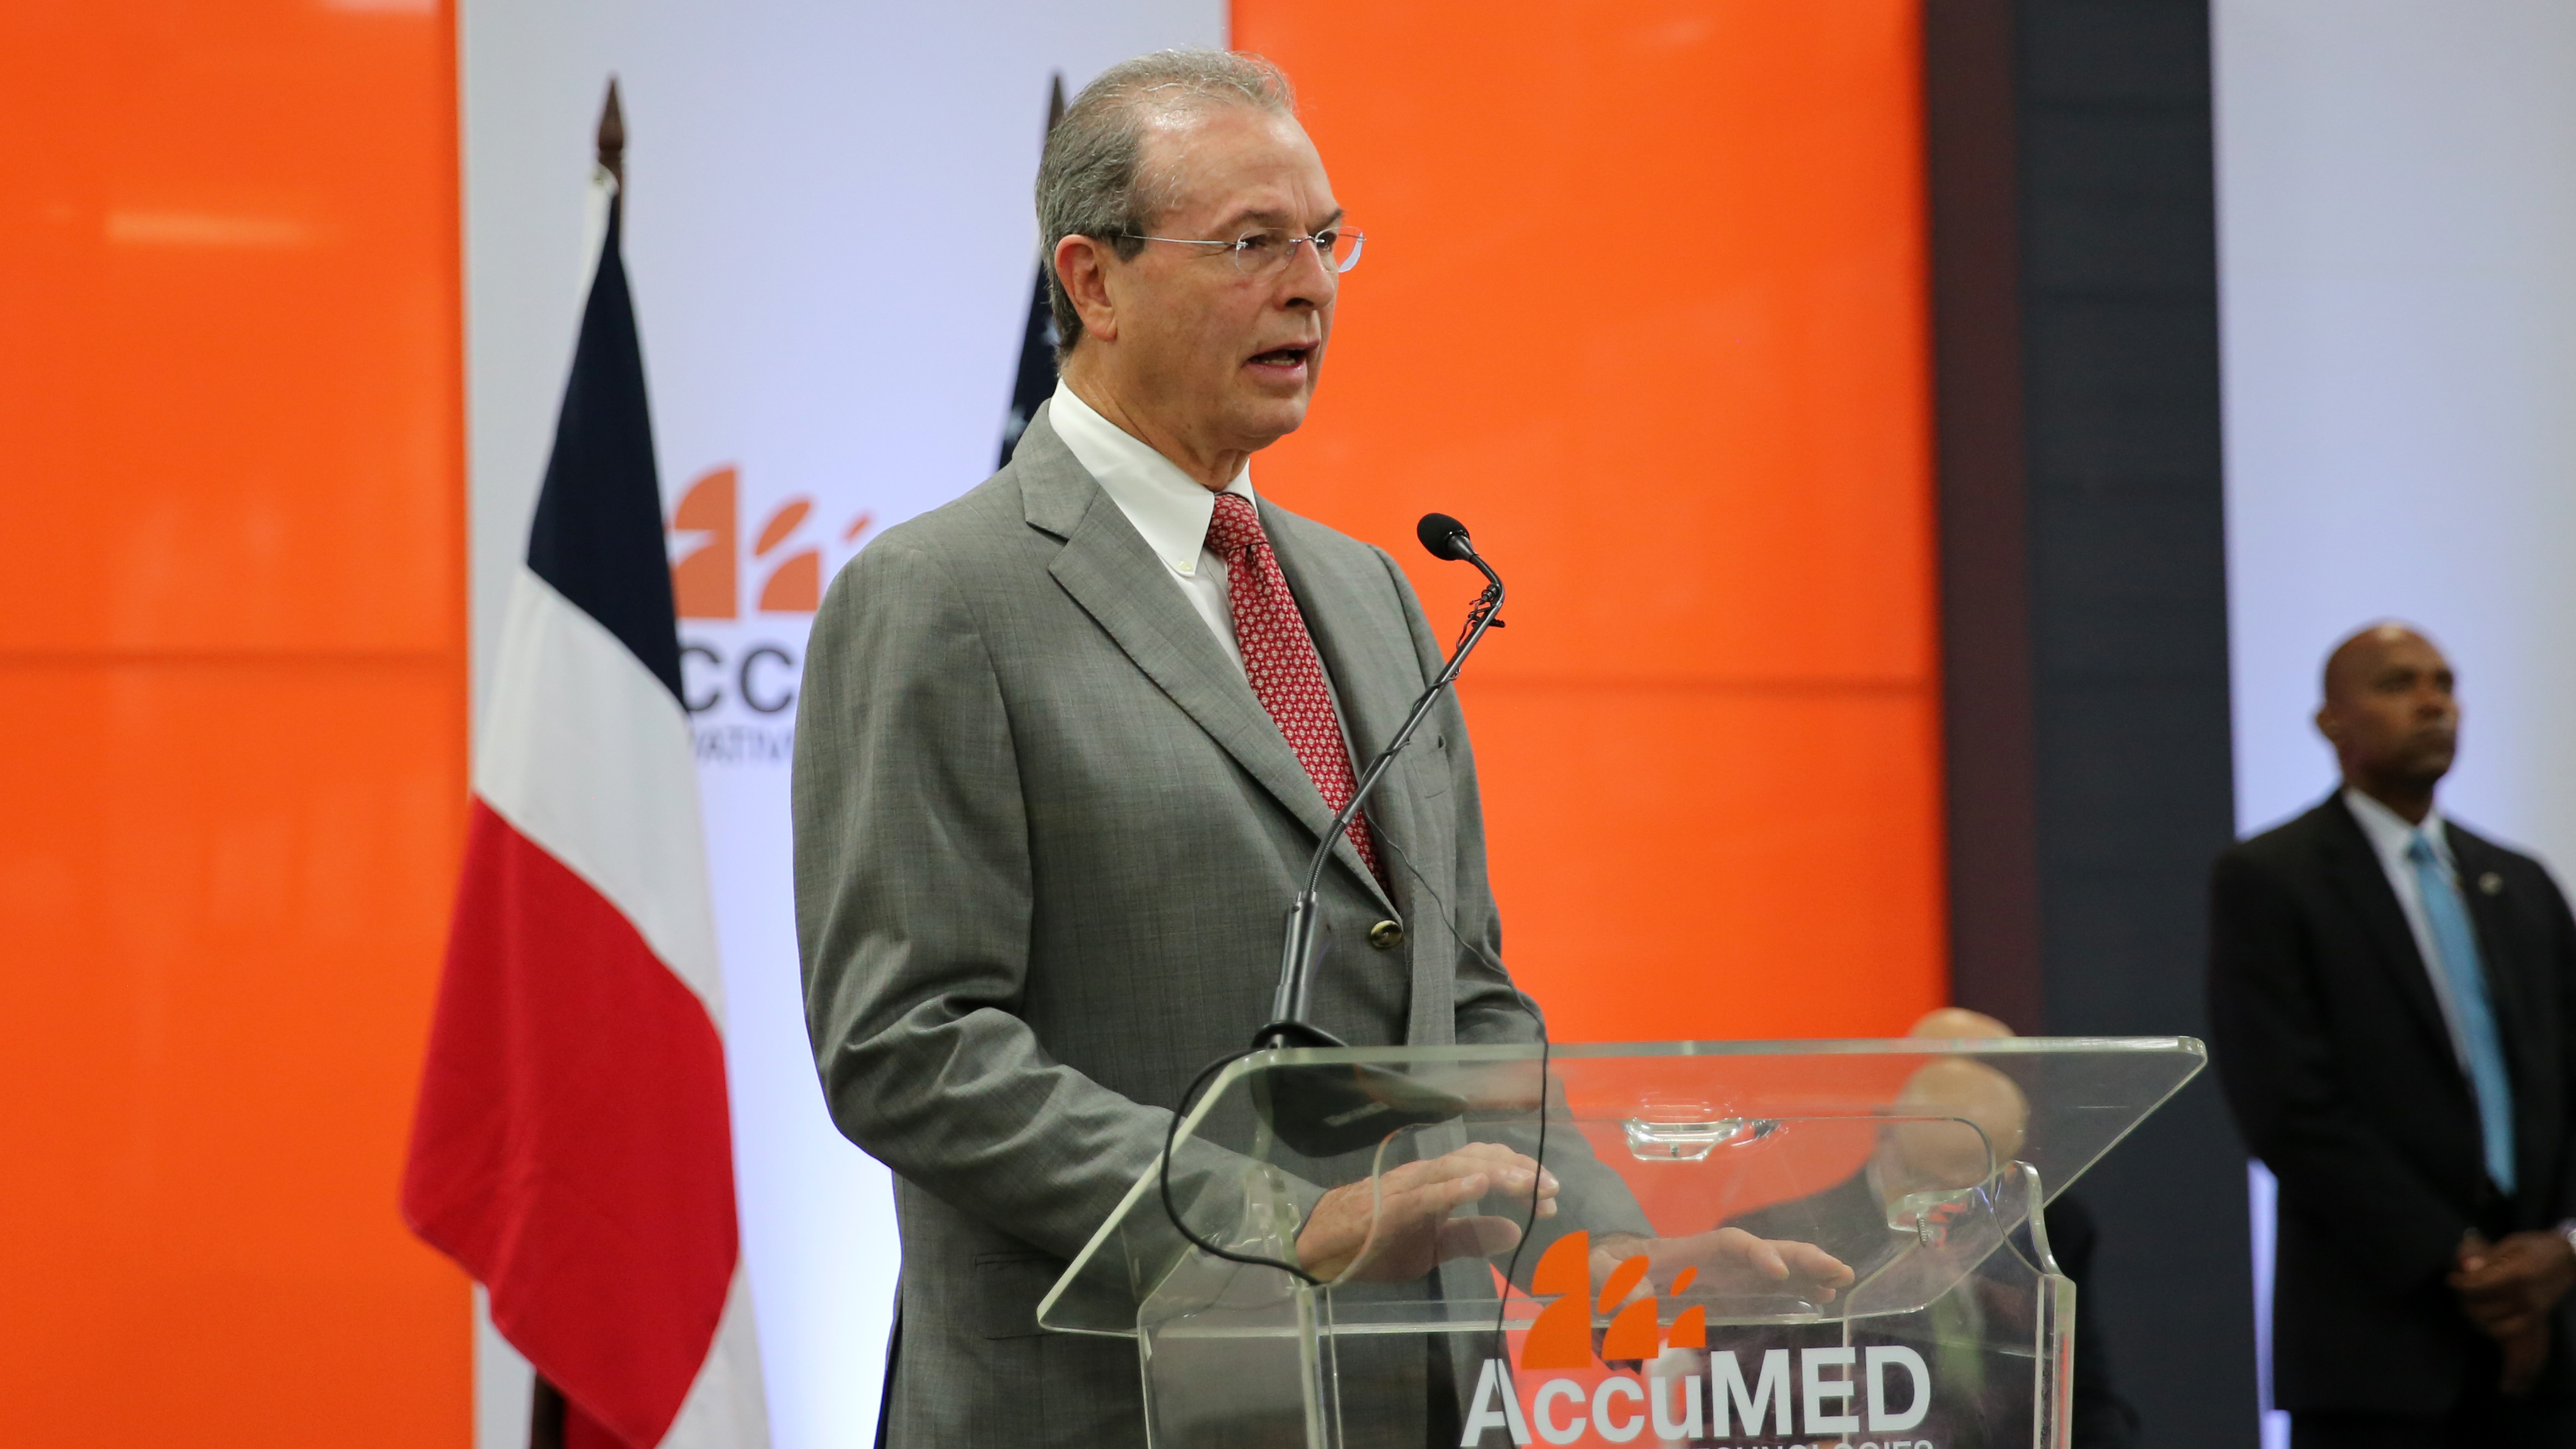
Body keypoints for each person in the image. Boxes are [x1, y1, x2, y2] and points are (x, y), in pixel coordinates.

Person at [791, 49, 1842, 1448]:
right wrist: (1286, 1222)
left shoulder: (1371, 592)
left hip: (1405, 1402)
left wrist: (1616, 1270)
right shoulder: (941, 597)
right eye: (1251, 244)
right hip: (1111, 1405)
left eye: (1325, 239)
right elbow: (909, 1045)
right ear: (1094, 282)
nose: (1312, 286)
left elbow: (1468, 1005)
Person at [2209, 622, 2576, 1445]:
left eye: (2444, 684)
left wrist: (2561, 1251)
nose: (2433, 703)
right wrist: (2464, 1261)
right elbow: (2288, 1108)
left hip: (2548, 1340)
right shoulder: (2271, 880)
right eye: (2398, 684)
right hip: (2376, 1344)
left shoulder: (2522, 885)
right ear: (2330, 721)